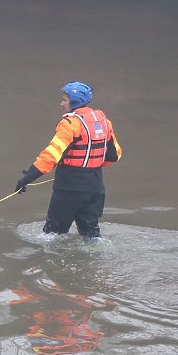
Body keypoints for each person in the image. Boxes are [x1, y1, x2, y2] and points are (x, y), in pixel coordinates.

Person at [15, 82, 122, 239]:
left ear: (75, 101)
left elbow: (51, 155)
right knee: (91, 235)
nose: (62, 103)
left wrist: (27, 179)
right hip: (96, 187)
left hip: (69, 189)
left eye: (65, 100)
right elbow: (114, 156)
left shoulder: (70, 124)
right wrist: (90, 166)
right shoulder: (104, 121)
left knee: (52, 236)